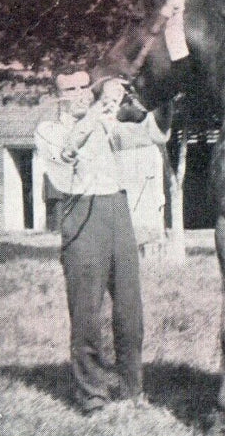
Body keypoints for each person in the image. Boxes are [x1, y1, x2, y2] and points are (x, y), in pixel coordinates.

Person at [33, 72, 169, 413]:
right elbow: (68, 151)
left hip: (117, 210)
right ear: (58, 96)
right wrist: (100, 107)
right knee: (86, 311)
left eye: (84, 87)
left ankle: (131, 389)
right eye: (71, 89)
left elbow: (152, 134)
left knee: (129, 308)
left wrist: (161, 97)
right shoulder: (49, 130)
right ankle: (92, 394)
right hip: (80, 213)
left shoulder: (106, 123)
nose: (80, 94)